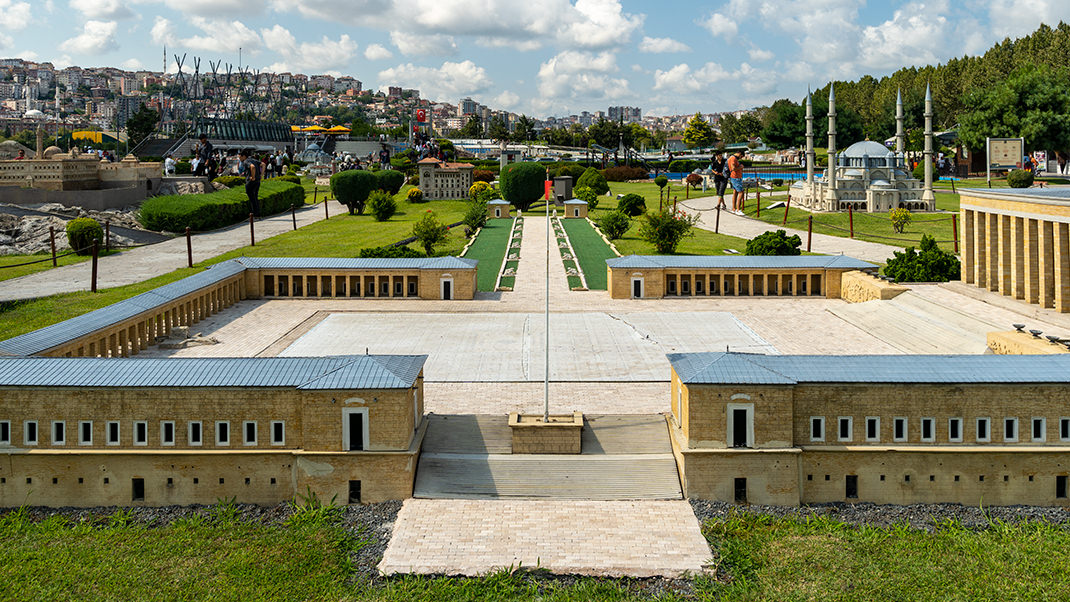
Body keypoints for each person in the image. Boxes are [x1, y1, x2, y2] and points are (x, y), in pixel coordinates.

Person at [239, 150, 261, 217]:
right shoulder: (253, 160)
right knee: (255, 197)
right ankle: (257, 214)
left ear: (244, 156)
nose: (239, 159)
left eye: (240, 157)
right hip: (257, 180)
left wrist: (253, 176)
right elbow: (263, 164)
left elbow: (252, 167)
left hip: (250, 181)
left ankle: (253, 214)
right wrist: (261, 175)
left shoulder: (246, 161)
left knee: (251, 197)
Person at [727, 149, 746, 214]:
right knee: (741, 192)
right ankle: (738, 210)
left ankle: (734, 209)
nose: (741, 158)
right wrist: (740, 167)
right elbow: (733, 168)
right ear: (739, 153)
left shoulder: (732, 158)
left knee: (735, 192)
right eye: (741, 156)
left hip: (735, 177)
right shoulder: (733, 159)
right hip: (736, 177)